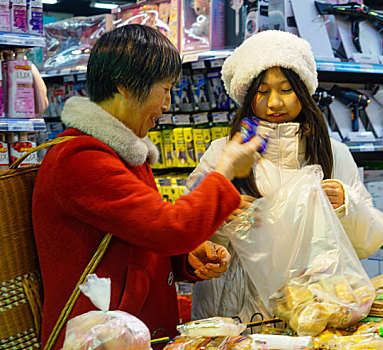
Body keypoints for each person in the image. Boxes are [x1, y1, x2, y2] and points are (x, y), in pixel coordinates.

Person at [32, 24, 263, 349]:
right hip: (97, 339)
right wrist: (224, 171)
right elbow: (168, 228)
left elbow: (140, 236)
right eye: (164, 89)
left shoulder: (123, 152)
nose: (168, 104)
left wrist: (184, 260)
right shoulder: (80, 158)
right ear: (126, 86)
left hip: (128, 333)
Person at [185, 30, 383, 323]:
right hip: (233, 317)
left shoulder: (333, 154)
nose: (274, 103)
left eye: (286, 90)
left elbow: (370, 241)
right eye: (262, 91)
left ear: (303, 91)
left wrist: (347, 206)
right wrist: (220, 216)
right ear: (247, 94)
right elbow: (188, 233)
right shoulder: (222, 153)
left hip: (312, 314)